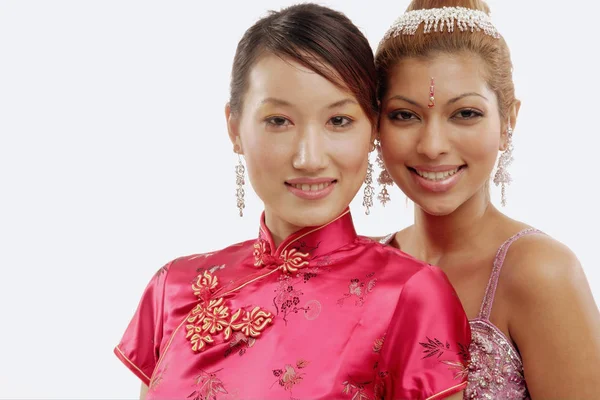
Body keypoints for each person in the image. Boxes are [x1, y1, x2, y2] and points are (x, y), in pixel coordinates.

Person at [114, 3, 471, 400]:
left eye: (338, 121)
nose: (309, 158)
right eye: (279, 121)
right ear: (234, 127)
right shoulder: (173, 288)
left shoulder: (411, 294)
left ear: (372, 129)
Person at [374, 0, 600, 399]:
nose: (432, 147)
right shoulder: (364, 267)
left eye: (464, 114)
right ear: (375, 124)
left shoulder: (540, 273)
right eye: (405, 116)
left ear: (508, 120)